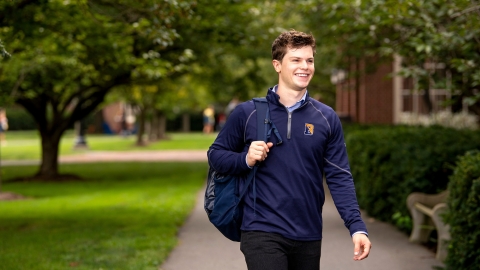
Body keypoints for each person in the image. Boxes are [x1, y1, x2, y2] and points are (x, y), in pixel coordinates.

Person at [207, 30, 371, 270]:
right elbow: (215, 156)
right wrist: (246, 159)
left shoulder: (326, 118)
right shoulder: (248, 113)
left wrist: (356, 226)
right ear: (277, 65)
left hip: (308, 231)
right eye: (296, 59)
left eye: (310, 60)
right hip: (261, 228)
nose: (305, 66)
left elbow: (339, 175)